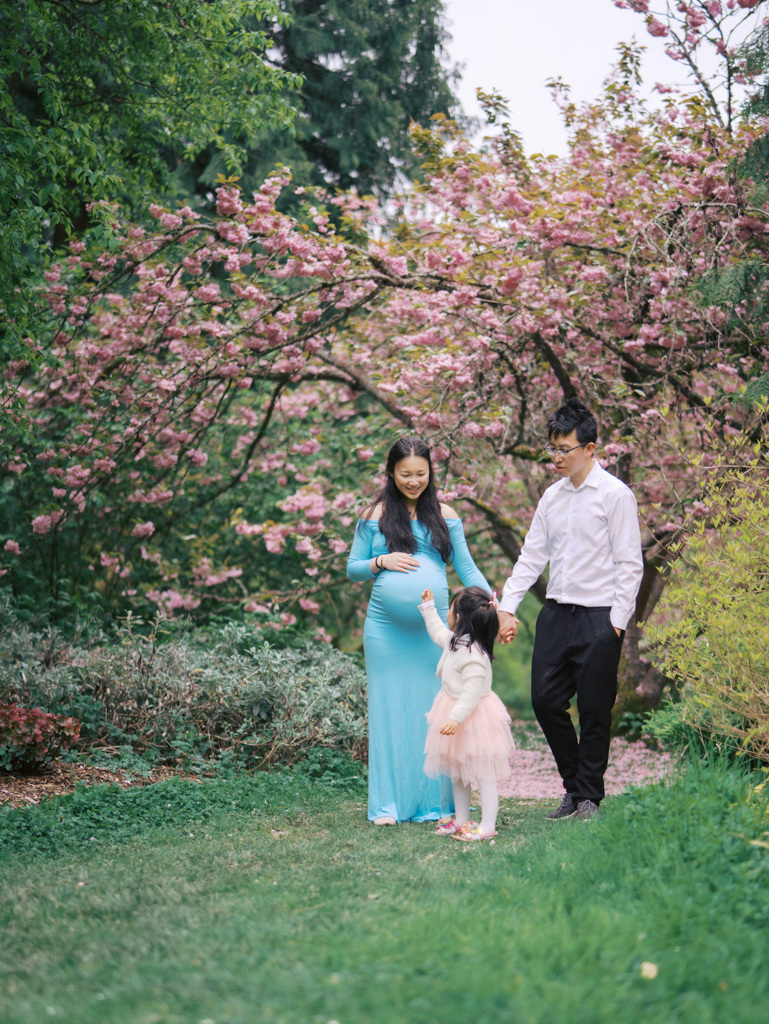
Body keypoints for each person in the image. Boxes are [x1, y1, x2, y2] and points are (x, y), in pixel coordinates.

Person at [497, 397, 643, 821]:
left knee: (595, 710)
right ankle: (575, 786)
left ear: (590, 449)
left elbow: (630, 565)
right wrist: (509, 606)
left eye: (565, 449)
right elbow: (530, 557)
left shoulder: (616, 496)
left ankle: (587, 800)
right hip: (556, 615)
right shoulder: (551, 498)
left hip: (600, 618)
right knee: (544, 702)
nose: (556, 458)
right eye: (553, 449)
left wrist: (616, 624)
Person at [346, 436, 491, 825]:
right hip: (385, 631)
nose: (414, 481)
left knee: (435, 710)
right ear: (391, 473)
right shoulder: (373, 514)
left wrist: (495, 605)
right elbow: (352, 569)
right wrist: (381, 559)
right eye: (405, 474)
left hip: (435, 633)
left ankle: (435, 804)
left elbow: (468, 570)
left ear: (431, 472)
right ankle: (389, 806)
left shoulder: (446, 515)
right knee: (390, 711)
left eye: (421, 474)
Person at [419, 585, 515, 842]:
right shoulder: (455, 641)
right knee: (457, 771)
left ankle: (487, 825)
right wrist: (428, 608)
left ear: (459, 617)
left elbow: (472, 693)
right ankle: (461, 819)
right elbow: (438, 632)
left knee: (484, 776)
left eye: (450, 608)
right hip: (454, 712)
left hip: (474, 718)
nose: (447, 613)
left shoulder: (474, 655)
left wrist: (455, 718)